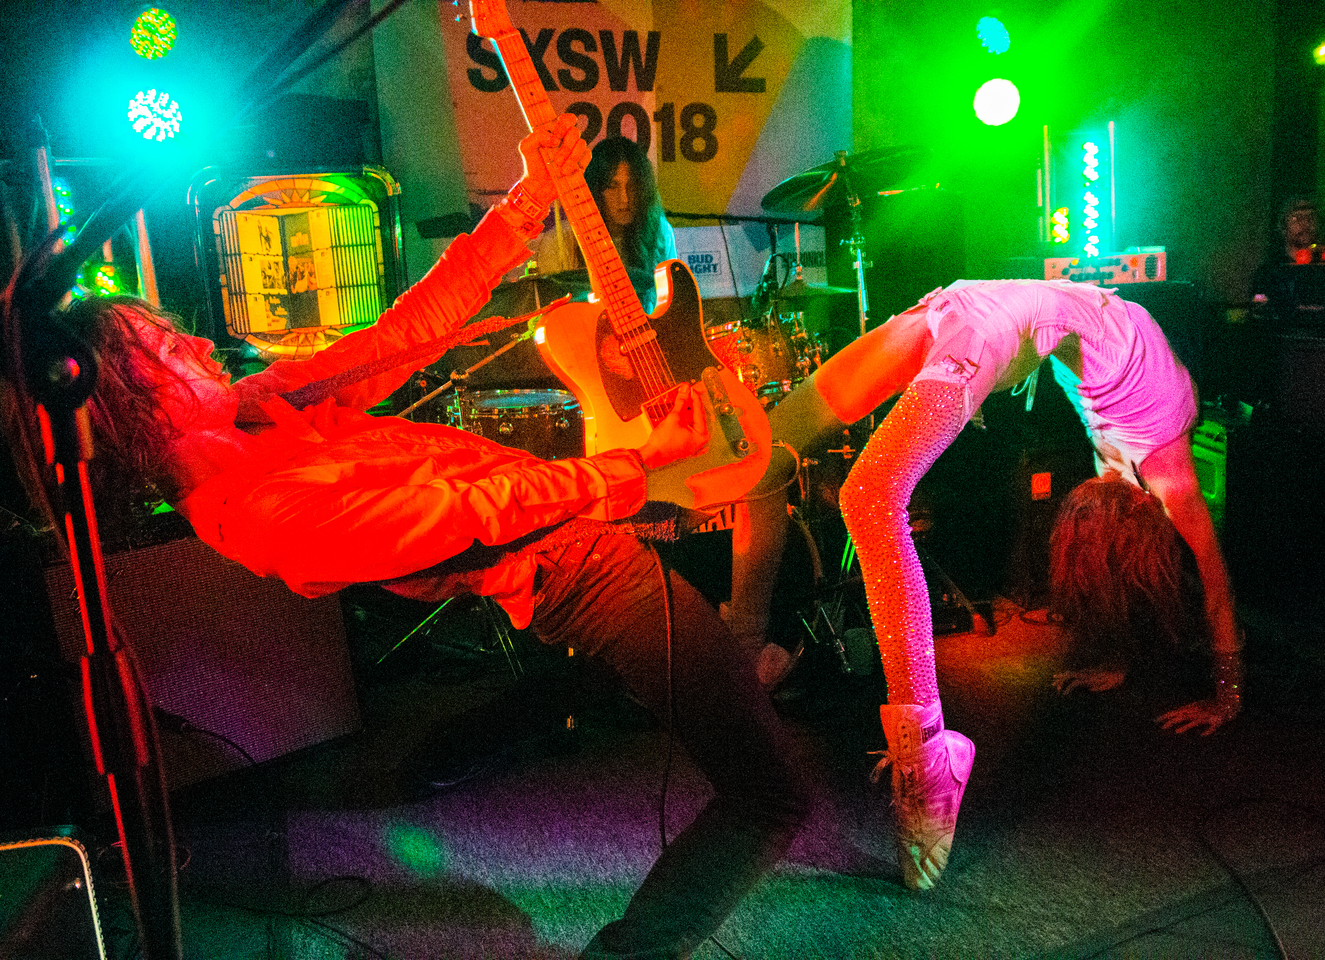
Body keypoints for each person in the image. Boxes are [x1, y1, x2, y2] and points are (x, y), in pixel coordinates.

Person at [7, 117, 810, 960]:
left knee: (751, 764)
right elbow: (470, 514)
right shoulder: (253, 510)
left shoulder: (264, 407)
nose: (202, 342)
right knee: (770, 793)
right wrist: (629, 468)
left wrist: (528, 200)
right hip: (582, 573)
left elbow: (411, 328)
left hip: (583, 543)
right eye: (171, 347)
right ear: (129, 399)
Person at [730, 278, 1243, 891]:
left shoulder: (1158, 477)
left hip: (1000, 321)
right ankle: (741, 652)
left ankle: (929, 757)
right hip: (964, 307)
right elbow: (1210, 587)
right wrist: (1143, 665)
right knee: (761, 454)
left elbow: (1206, 586)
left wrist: (1223, 696)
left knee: (866, 495)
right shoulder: (1157, 469)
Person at [534, 134, 678, 312]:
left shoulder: (660, 232)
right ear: (596, 188)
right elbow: (553, 317)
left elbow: (670, 306)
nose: (624, 198)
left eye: (632, 186)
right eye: (613, 186)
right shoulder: (560, 241)